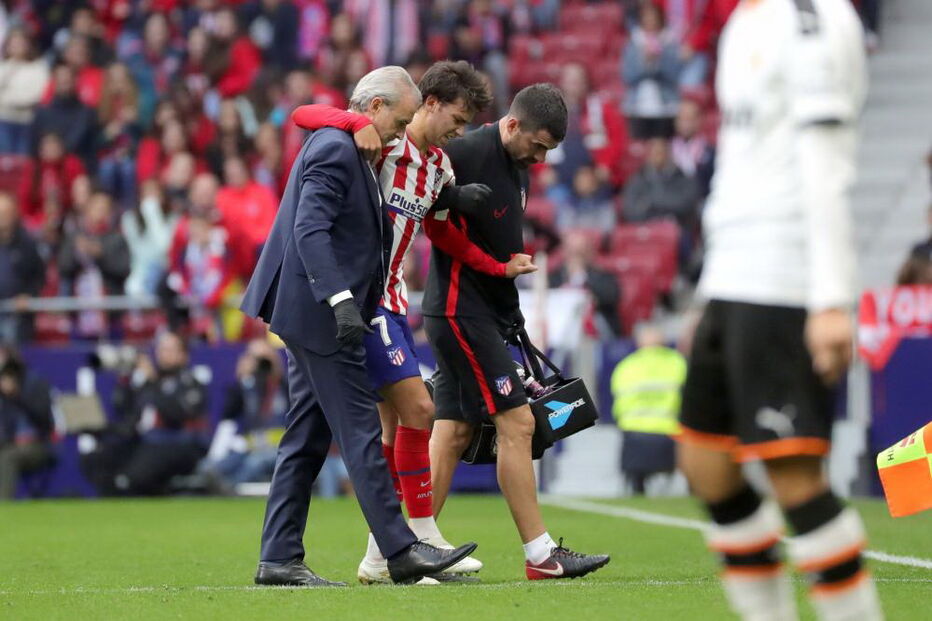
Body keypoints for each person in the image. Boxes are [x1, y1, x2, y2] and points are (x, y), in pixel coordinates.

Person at [290, 59, 536, 584]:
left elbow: (442, 234)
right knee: (419, 407)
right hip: (365, 297)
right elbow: (304, 113)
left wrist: (496, 266)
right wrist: (356, 123)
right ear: (429, 103)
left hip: (394, 298)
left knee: (392, 421)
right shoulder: (384, 140)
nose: (460, 130)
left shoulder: (440, 166)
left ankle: (381, 554)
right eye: (458, 118)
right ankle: (417, 532)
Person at [676, 1, 882, 620]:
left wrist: (829, 299)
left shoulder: (813, 18)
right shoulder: (745, 22)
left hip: (785, 277)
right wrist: (710, 288)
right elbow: (743, 166)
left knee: (795, 482)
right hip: (733, 277)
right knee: (705, 466)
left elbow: (827, 166)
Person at [240, 66, 476, 588]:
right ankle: (398, 551)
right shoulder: (336, 145)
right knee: (362, 432)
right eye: (401, 118)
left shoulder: (359, 146)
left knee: (306, 435)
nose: (403, 129)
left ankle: (279, 559)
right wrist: (342, 300)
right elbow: (310, 228)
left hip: (318, 311)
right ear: (373, 109)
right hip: (326, 315)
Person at [422, 84, 610, 580]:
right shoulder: (463, 153)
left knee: (453, 431)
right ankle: (541, 556)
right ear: (511, 125)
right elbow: (432, 220)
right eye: (539, 145)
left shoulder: (516, 167)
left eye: (550, 149)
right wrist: (497, 272)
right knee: (518, 424)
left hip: (478, 313)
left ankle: (399, 549)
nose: (542, 157)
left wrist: (512, 307)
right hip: (460, 311)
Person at [610, 323, 684, 495]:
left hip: (633, 436)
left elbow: (617, 404)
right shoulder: (678, 363)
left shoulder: (626, 366)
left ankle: (637, 488)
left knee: (635, 478)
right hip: (670, 435)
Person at [0, 349, 55, 499]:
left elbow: (44, 420)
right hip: (7, 444)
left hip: (37, 445)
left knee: (7, 457)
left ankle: (3, 506)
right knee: (6, 453)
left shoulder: (36, 384)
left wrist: (16, 396)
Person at [0, 192, 45, 345]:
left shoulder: (27, 245)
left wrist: (29, 295)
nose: (2, 217)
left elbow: (39, 276)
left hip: (17, 316)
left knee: (15, 362)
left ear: (14, 214)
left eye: (6, 212)